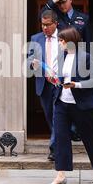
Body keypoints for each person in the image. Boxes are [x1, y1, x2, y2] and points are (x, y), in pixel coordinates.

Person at [45, 27, 93, 184]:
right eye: (59, 41)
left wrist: (75, 84)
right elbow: (60, 80)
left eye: (62, 41)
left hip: (81, 105)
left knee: (89, 138)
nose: (59, 44)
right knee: (60, 138)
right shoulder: (61, 57)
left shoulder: (86, 57)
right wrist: (52, 78)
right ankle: (60, 174)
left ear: (70, 41)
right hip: (62, 102)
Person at [41, 0, 90, 142]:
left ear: (70, 0)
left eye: (64, 2)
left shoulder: (83, 18)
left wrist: (88, 64)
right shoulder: (56, 17)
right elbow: (43, 16)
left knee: (76, 100)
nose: (61, 5)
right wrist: (51, 2)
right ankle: (62, 137)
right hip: (61, 65)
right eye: (59, 3)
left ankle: (73, 129)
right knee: (59, 106)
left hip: (78, 65)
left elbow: (89, 43)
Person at [27, 10, 64, 161]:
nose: (45, 28)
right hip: (44, 85)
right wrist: (33, 64)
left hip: (61, 84)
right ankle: (60, 138)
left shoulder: (64, 37)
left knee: (57, 115)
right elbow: (29, 61)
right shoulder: (35, 39)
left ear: (56, 23)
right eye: (43, 25)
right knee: (50, 115)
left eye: (48, 25)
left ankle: (54, 148)